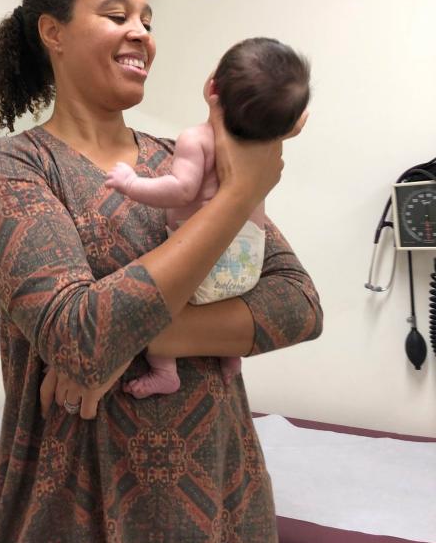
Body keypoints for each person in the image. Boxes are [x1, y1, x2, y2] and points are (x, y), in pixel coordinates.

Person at [0, 0, 322, 543]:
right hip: (76, 532)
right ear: (53, 32)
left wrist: (137, 340)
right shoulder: (11, 169)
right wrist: (242, 192)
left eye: (148, 20)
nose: (142, 34)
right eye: (117, 14)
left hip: (225, 519)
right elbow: (76, 336)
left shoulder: (180, 158)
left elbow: (297, 305)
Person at [105, 38, 311, 399]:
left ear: (213, 87)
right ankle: (230, 356)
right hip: (248, 263)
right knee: (224, 304)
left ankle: (164, 371)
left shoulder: (196, 139)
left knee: (165, 305)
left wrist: (132, 184)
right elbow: (298, 121)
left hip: (204, 262)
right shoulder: (263, 147)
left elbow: (181, 190)